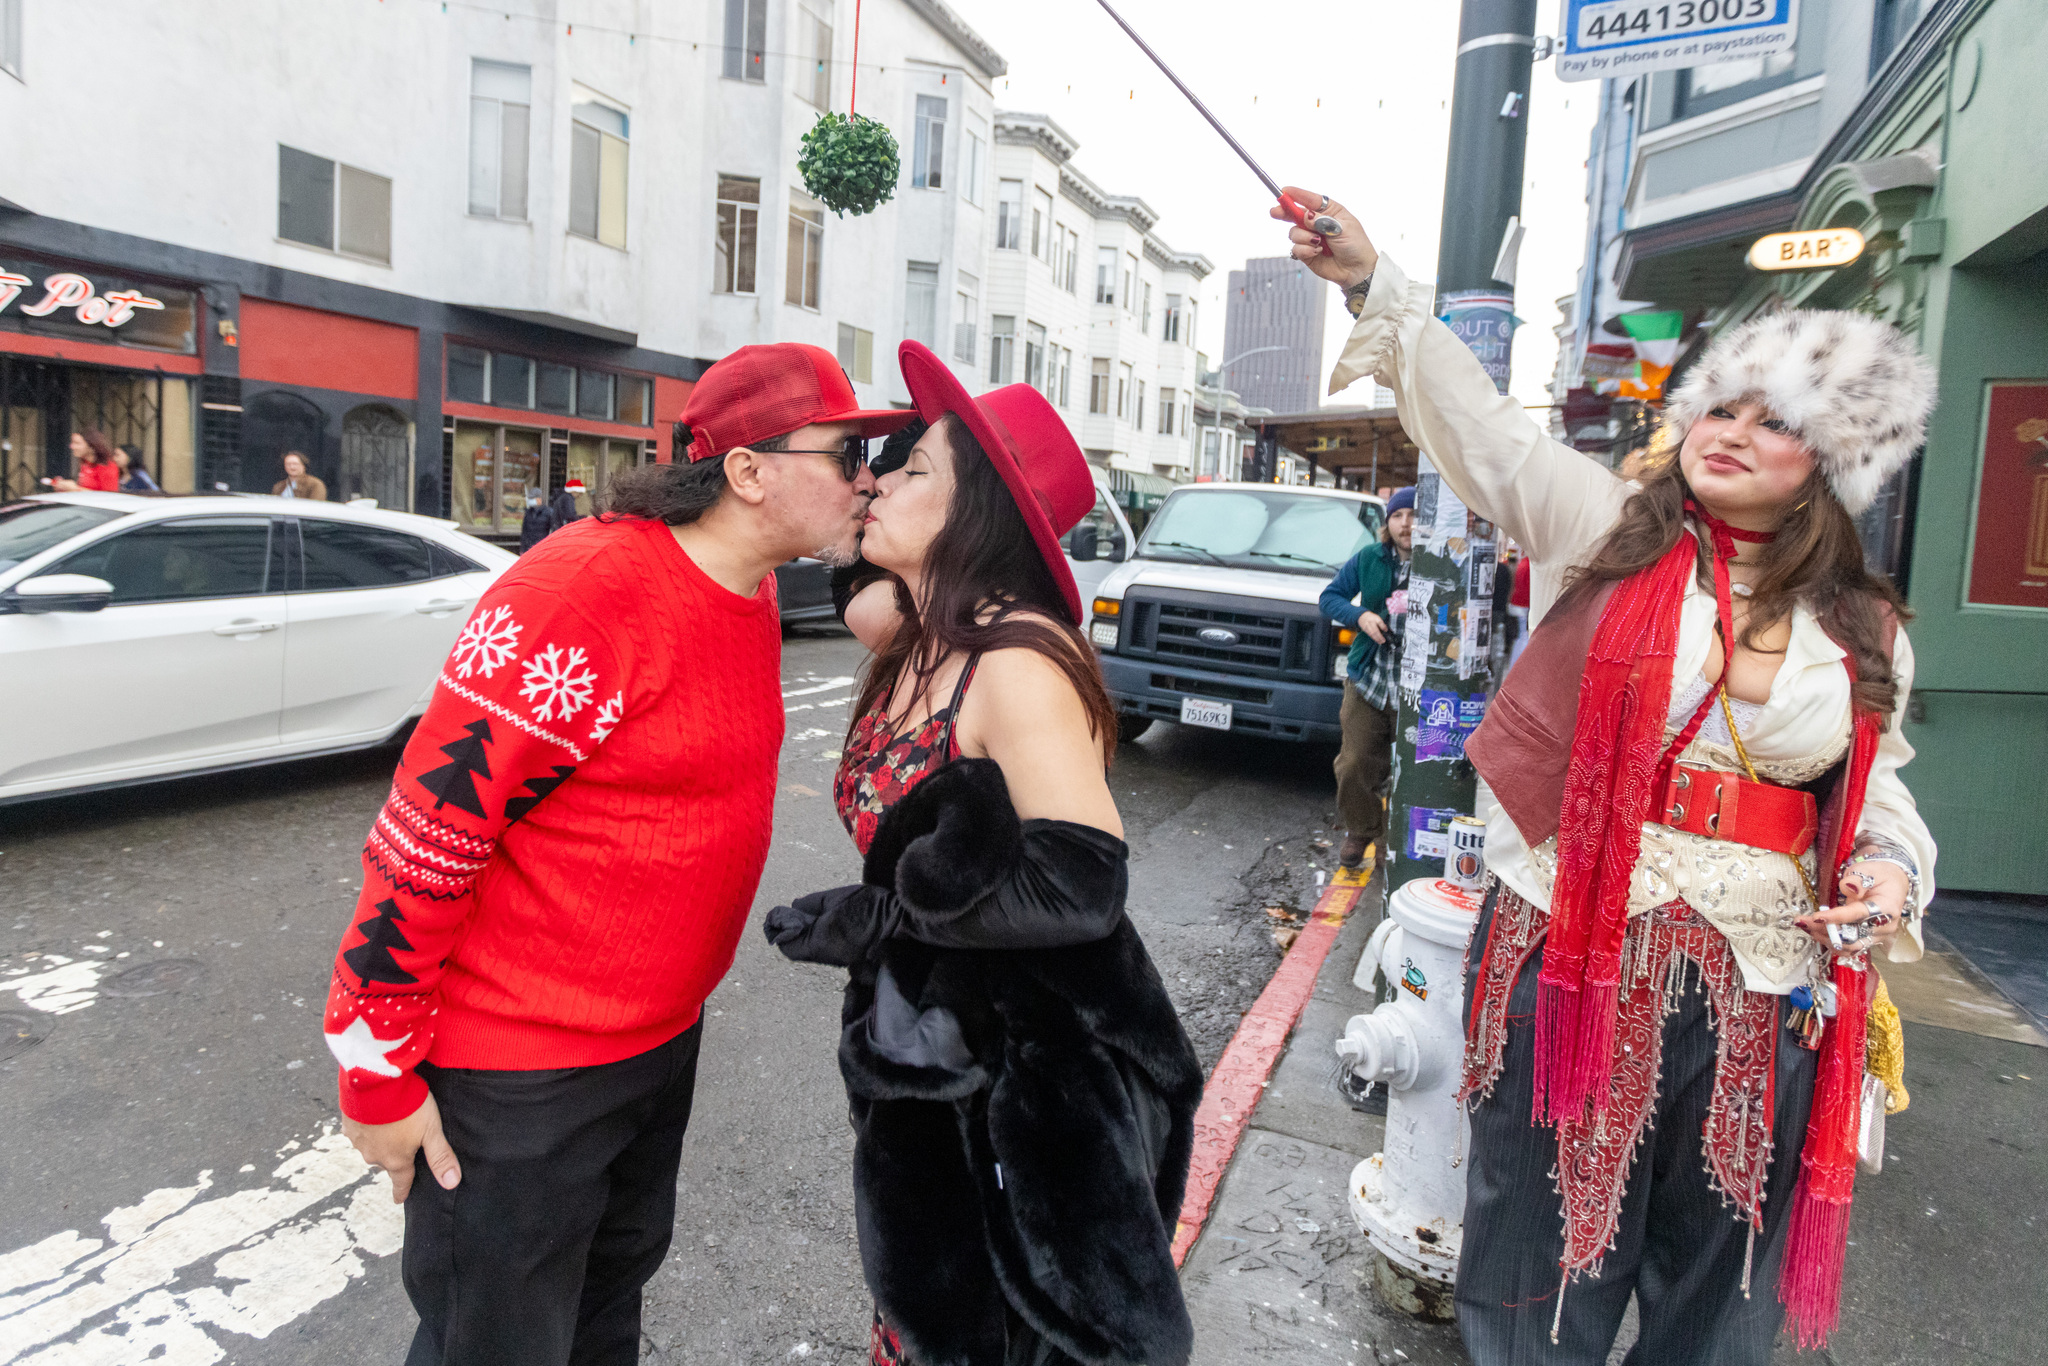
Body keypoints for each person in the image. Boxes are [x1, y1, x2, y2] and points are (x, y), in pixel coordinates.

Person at [1278, 189, 1935, 1363]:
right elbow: (1486, 435)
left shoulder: (1866, 627)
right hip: (1564, 954)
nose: (1726, 430)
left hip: (1762, 983)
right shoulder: (1609, 528)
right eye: (1715, 406)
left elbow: (1875, 790)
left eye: (1768, 420)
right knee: (1532, 1263)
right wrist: (1370, 278)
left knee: (1720, 1284)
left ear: (1826, 463)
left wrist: (1887, 870)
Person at [323, 343, 914, 1366]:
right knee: (497, 1342)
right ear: (749, 471)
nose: (868, 476)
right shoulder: (583, 594)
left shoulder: (752, 588)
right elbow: (429, 831)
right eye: (846, 453)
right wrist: (374, 1070)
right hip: (520, 1076)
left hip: (650, 1048)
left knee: (602, 1314)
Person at [765, 340, 1203, 1366]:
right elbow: (846, 574)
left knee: (998, 1332)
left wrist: (880, 916)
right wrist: (838, 473)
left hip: (1027, 1086)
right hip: (927, 1047)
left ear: (978, 513)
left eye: (913, 468)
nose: (879, 477)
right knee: (925, 1315)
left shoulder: (1016, 666)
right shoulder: (915, 631)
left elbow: (1081, 881)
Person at [1320, 484, 1415, 870]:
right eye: (1397, 516)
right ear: (1387, 523)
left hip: (1419, 687)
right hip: (1371, 677)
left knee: (1412, 773)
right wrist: (1360, 615)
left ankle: (1400, 847)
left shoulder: (1443, 560)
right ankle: (1361, 829)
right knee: (1355, 763)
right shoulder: (1369, 557)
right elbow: (1330, 597)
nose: (1406, 523)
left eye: (1413, 515)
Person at [49, 429, 120, 492]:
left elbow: (108, 496)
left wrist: (74, 488)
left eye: (77, 443)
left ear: (91, 446)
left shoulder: (107, 467)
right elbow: (85, 489)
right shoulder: (85, 464)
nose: (72, 446)